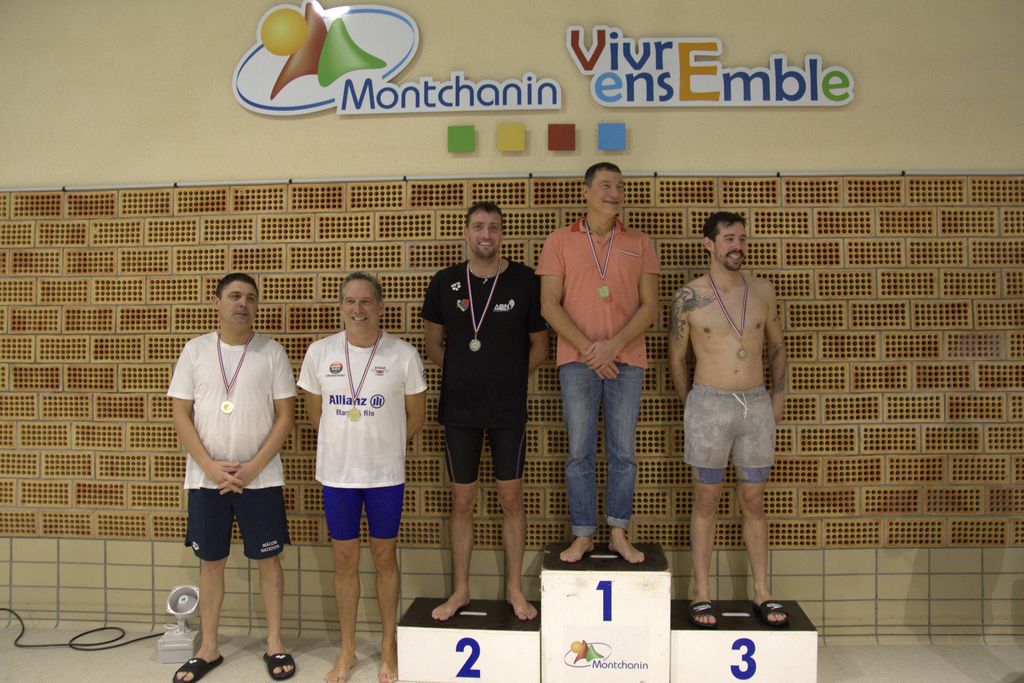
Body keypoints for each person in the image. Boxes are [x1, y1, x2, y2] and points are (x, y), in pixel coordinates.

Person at [421, 201, 549, 621]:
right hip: (459, 409)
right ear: (466, 232)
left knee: (511, 497)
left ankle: (514, 589)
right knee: (463, 500)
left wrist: (506, 379)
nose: (486, 234)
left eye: (493, 227)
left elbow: (541, 346)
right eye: (478, 226)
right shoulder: (445, 282)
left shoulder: (524, 281)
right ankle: (460, 590)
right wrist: (466, 374)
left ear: (502, 234)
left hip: (507, 410)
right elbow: (433, 343)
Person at [168, 273, 297, 682]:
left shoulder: (271, 352)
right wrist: (209, 466)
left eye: (251, 298)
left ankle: (274, 643)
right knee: (211, 562)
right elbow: (180, 413)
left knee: (269, 560)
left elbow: (286, 416)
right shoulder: (195, 351)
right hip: (207, 479)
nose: (243, 304)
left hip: (260, 478)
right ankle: (208, 647)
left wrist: (253, 467)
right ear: (217, 301)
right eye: (235, 296)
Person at [298, 272, 427, 683]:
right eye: (350, 301)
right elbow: (316, 414)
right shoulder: (319, 353)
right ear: (341, 307)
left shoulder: (403, 355)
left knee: (385, 557)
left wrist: (382, 446)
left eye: (366, 301)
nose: (358, 309)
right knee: (344, 560)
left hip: (384, 475)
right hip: (338, 475)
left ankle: (388, 647)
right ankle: (348, 650)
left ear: (380, 307)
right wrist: (347, 444)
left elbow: (416, 416)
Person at [668, 211, 789, 629]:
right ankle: (701, 593)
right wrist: (691, 403)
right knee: (707, 499)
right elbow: (676, 357)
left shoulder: (762, 291)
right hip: (709, 403)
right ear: (710, 244)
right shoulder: (689, 296)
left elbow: (777, 347)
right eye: (729, 239)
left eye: (742, 238)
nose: (738, 246)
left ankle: (762, 591)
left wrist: (778, 395)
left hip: (755, 404)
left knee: (753, 499)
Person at [536, 162, 660, 564]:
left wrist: (613, 346)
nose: (614, 193)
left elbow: (651, 306)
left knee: (623, 452)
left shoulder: (640, 242)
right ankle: (584, 534)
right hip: (577, 361)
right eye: (606, 185)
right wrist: (592, 350)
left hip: (627, 360)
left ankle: (619, 533)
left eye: (620, 186)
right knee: (579, 452)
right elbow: (549, 305)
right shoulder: (559, 241)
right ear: (585, 191)